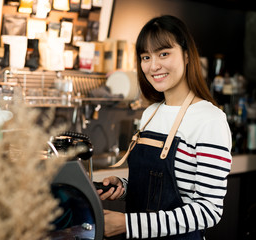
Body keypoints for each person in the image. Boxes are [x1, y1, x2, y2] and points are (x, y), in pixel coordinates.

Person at [97, 15, 232, 239]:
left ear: (187, 55)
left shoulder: (210, 119)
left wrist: (128, 224)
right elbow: (158, 190)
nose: (153, 66)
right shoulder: (151, 113)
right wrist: (122, 187)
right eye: (146, 57)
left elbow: (209, 210)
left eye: (164, 54)